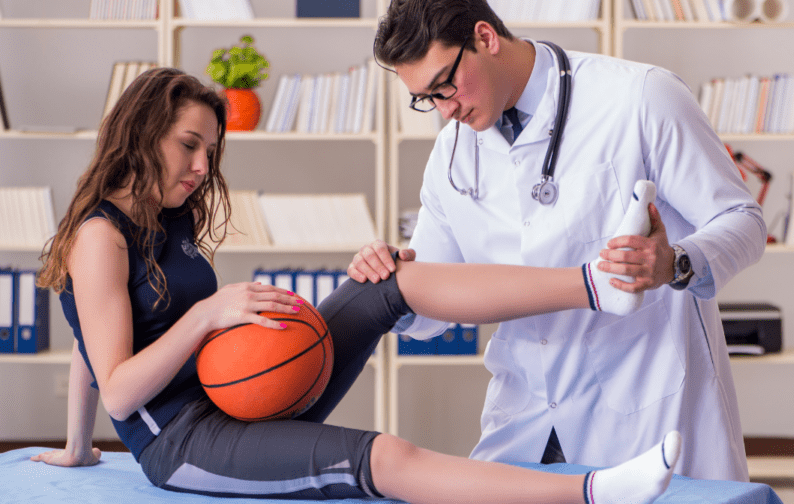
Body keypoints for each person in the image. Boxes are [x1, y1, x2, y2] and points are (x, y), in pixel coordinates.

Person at [30, 67, 682, 504]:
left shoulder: (166, 216)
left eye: (212, 150)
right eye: (188, 145)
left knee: (389, 281)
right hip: (186, 443)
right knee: (386, 455)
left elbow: (91, 342)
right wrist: (207, 317)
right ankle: (595, 492)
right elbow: (115, 382)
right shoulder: (100, 237)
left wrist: (79, 447)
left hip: (240, 392)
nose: (203, 166)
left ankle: (598, 283)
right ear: (142, 135)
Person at [352, 0, 768, 482]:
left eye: (446, 86)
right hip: (524, 411)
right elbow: (432, 310)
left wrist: (677, 262)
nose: (445, 111)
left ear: (485, 37)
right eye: (426, 99)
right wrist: (390, 282)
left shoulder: (639, 96)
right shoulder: (451, 155)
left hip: (645, 404)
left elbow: (742, 220)